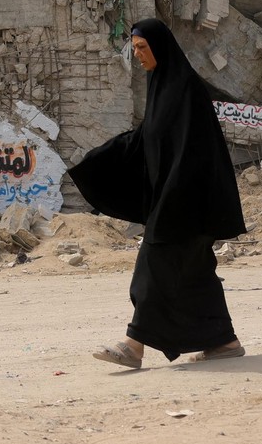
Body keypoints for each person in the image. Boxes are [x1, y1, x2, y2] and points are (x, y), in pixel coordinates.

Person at [66, 19, 247, 367]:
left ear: (160, 47)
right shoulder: (161, 86)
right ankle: (224, 341)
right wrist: (102, 157)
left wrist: (171, 198)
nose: (138, 55)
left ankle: (133, 346)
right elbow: (150, 137)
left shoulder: (186, 89)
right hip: (179, 202)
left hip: (188, 202)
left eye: (143, 48)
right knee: (195, 277)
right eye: (134, 48)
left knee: (151, 269)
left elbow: (193, 153)